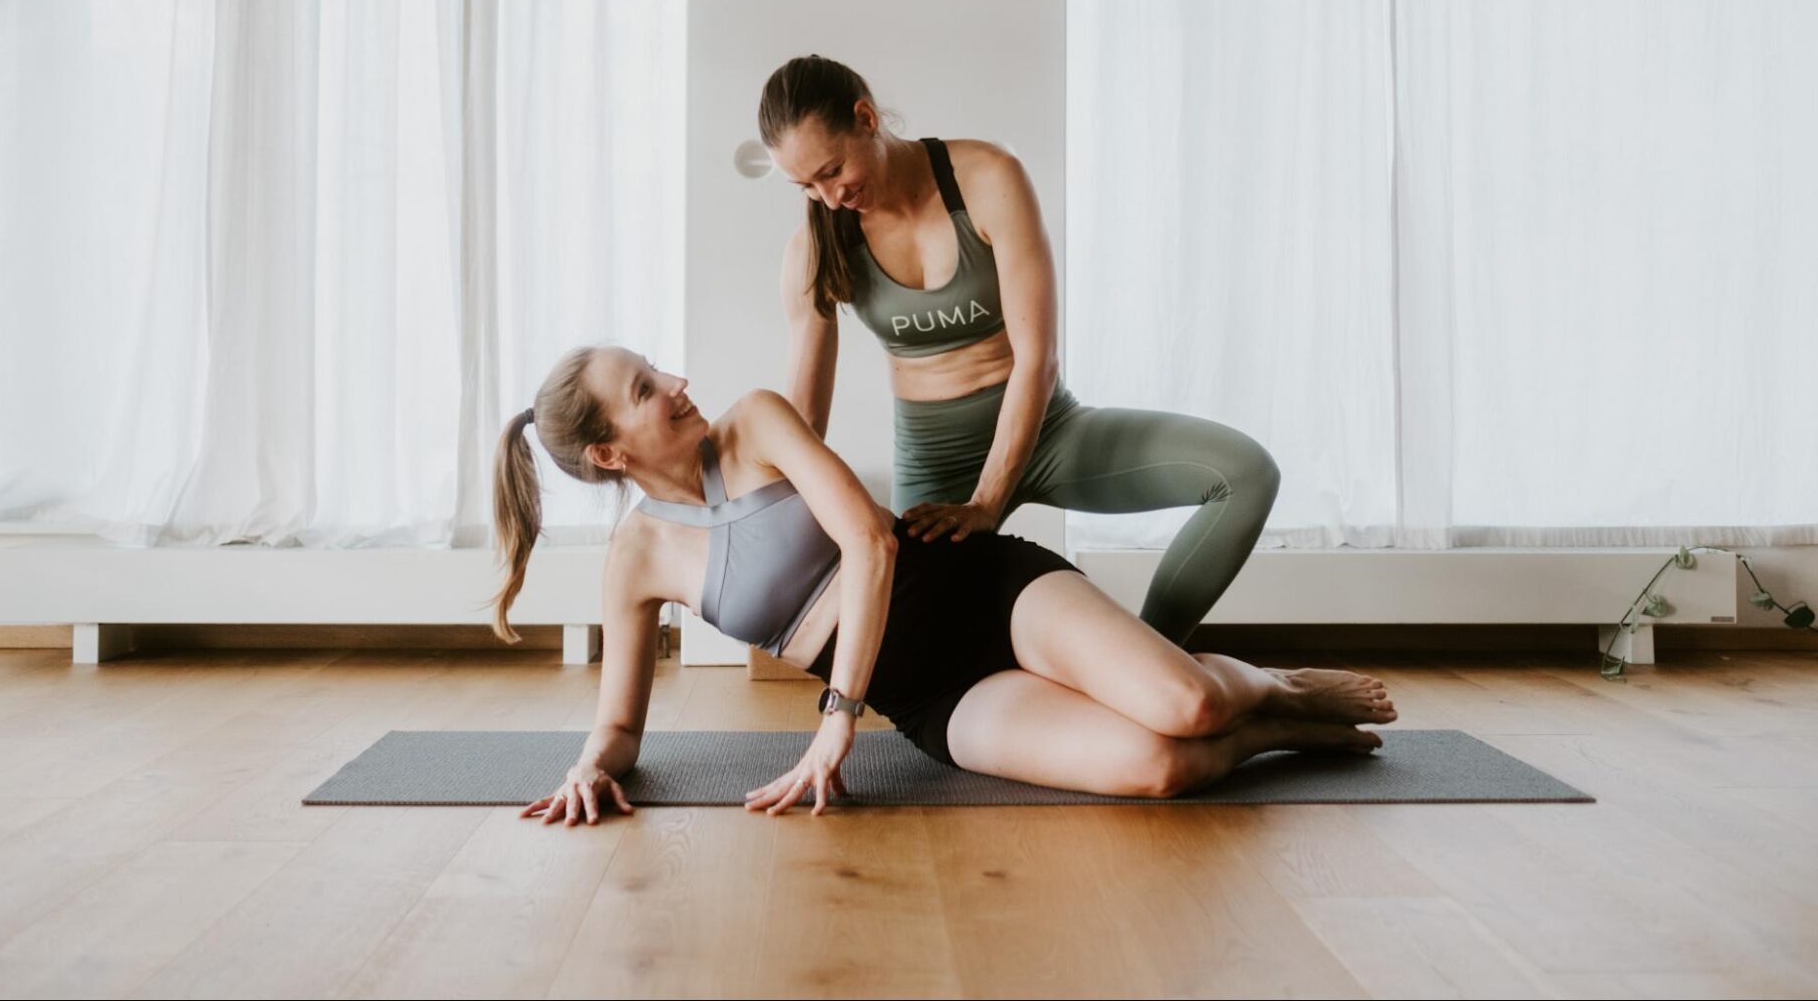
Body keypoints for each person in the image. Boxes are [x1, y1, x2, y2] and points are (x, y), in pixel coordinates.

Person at [491, 345, 1395, 824]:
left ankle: (1268, 683)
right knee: (1158, 766)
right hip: (929, 693)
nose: (680, 381)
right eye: (649, 388)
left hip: (981, 592)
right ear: (610, 452)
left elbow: (872, 548)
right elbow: (618, 727)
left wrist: (837, 716)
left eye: (659, 368)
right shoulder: (636, 562)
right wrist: (586, 769)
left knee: (1187, 705)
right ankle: (1272, 728)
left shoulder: (756, 422)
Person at [763, 55, 1285, 647]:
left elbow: (1038, 358)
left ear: (866, 117)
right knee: (929, 659)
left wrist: (989, 501)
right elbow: (802, 422)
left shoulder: (988, 177)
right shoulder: (815, 243)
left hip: (1048, 434)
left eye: (832, 171)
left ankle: (1158, 656)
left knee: (1244, 474)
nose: (828, 198)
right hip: (935, 471)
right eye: (805, 185)